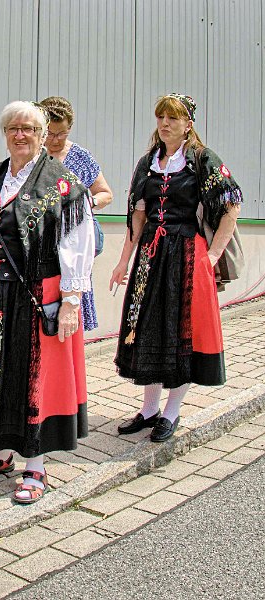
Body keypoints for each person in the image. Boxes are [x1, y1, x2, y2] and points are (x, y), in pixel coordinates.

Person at [0, 101, 94, 504]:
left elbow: (76, 244)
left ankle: (36, 464)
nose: (20, 135)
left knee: (32, 378)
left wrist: (71, 301)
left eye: (29, 129)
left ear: (42, 133)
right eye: (13, 128)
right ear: (4, 133)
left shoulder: (62, 184)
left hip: (35, 292)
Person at [111, 94, 242, 442]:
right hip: (151, 256)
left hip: (186, 252)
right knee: (148, 327)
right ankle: (149, 408)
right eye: (161, 117)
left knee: (180, 331)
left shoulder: (202, 159)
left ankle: (172, 411)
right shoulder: (147, 162)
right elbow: (138, 213)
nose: (165, 124)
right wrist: (124, 259)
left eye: (173, 118)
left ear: (188, 124)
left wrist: (212, 256)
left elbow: (231, 205)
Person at [40, 96, 113, 331]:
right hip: (40, 247)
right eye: (50, 133)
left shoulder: (80, 157)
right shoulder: (32, 155)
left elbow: (106, 193)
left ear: (69, 128)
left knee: (70, 311)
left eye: (61, 133)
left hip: (72, 247)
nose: (55, 140)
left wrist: (83, 204)